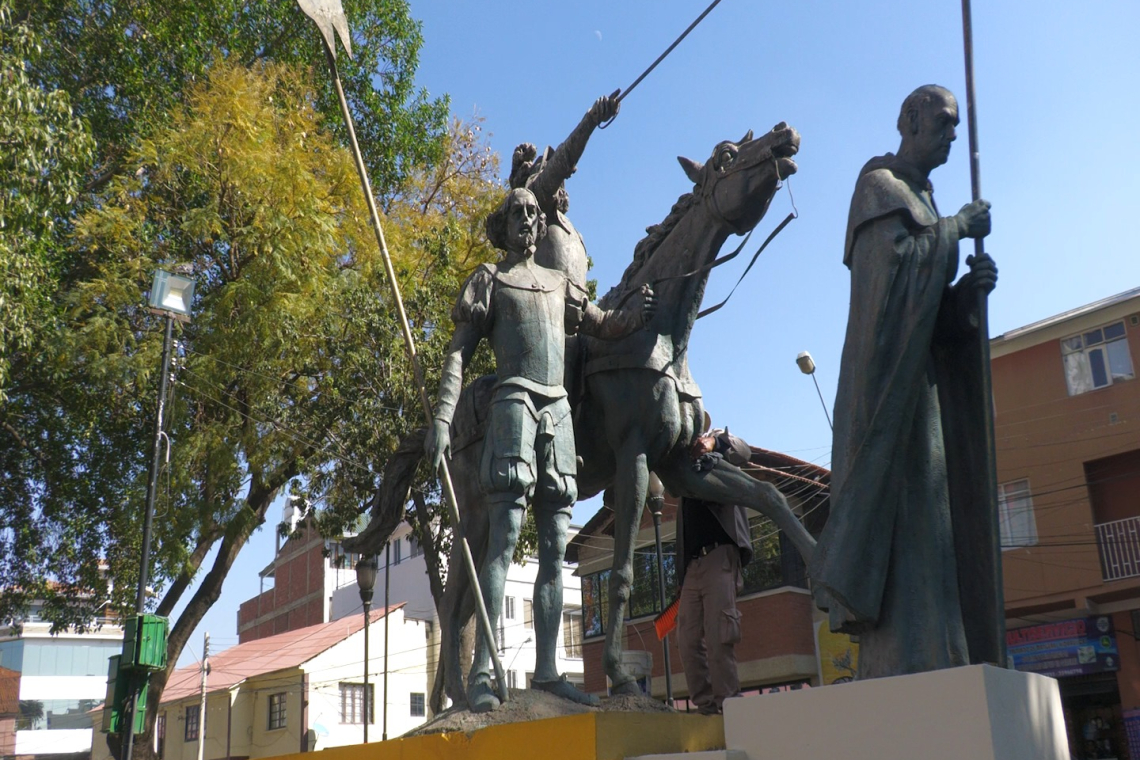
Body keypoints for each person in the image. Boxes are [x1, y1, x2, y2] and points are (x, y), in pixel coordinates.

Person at [426, 186, 654, 712]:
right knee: (502, 538)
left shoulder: (560, 283)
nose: (529, 220)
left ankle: (548, 671)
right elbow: (457, 354)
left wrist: (637, 315)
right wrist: (442, 416)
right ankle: (483, 670)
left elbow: (602, 324)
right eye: (519, 214)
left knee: (555, 544)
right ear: (502, 226)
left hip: (558, 413)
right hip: (512, 406)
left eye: (534, 213)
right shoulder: (490, 278)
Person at [810, 85, 998, 679]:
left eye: (957, 127)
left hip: (923, 402)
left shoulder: (923, 199)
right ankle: (904, 660)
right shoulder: (880, 190)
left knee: (934, 532)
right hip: (887, 399)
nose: (951, 135)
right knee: (908, 532)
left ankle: (940, 653)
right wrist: (953, 232)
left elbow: (927, 313)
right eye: (942, 122)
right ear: (911, 120)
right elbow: (887, 299)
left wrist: (966, 295)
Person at [674, 426, 754, 715]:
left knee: (721, 633)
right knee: (687, 639)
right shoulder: (682, 460)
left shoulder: (719, 444)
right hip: (692, 566)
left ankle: (728, 705)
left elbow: (744, 449)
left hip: (720, 555)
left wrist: (714, 442)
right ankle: (706, 706)